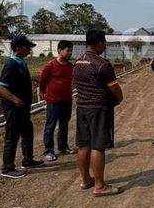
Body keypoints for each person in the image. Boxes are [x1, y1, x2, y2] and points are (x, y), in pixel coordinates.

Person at [72, 30, 124, 197]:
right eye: (105, 42)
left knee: (84, 144)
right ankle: (100, 186)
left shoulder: (78, 62)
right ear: (100, 43)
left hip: (82, 107)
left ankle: (86, 180)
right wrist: (118, 99)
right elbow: (114, 88)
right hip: (98, 109)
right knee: (98, 146)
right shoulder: (102, 64)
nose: (105, 45)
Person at [0, 35, 44, 179]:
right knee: (12, 136)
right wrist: (15, 99)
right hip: (14, 108)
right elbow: (0, 88)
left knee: (27, 132)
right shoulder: (10, 64)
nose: (29, 50)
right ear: (18, 49)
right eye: (27, 47)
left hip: (23, 108)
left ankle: (27, 159)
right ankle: (7, 167)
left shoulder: (21, 62)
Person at [39, 40, 75, 161]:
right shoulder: (50, 66)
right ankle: (48, 151)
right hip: (53, 101)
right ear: (60, 50)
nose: (70, 53)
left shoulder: (70, 66)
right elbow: (42, 83)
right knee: (51, 126)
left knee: (64, 125)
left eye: (71, 50)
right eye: (68, 50)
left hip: (67, 100)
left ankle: (63, 146)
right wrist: (45, 95)